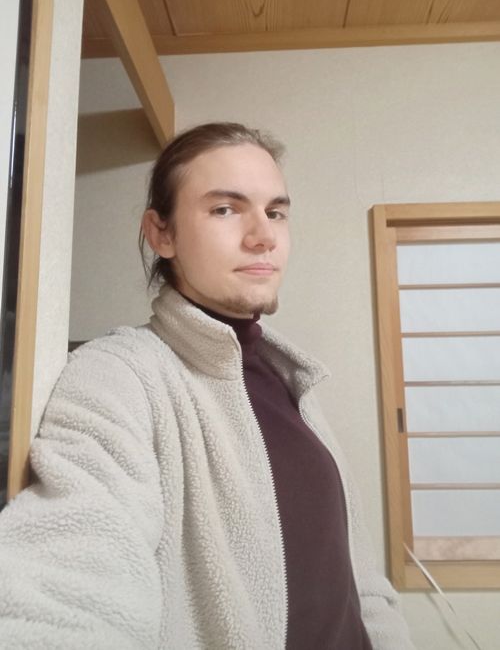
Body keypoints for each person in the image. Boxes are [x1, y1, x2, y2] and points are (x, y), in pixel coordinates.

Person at [0, 123, 414, 649]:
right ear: (162, 234)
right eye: (225, 209)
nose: (263, 235)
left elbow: (359, 582)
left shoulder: (294, 382)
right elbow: (70, 575)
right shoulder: (121, 374)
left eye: (276, 212)